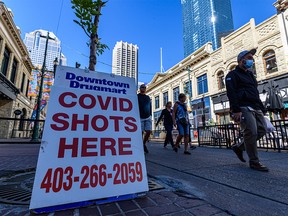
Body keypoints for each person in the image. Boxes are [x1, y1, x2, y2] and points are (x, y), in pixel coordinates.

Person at [225, 49, 269, 172]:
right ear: (241, 60)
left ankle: (239, 147)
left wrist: (262, 108)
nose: (251, 60)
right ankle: (254, 162)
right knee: (251, 132)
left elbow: (255, 92)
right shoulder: (232, 75)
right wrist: (236, 110)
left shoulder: (250, 75)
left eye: (252, 58)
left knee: (262, 130)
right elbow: (231, 93)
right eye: (249, 57)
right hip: (243, 107)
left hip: (255, 105)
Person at [137, 84, 152, 153]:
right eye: (142, 87)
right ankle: (141, 145)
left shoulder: (147, 97)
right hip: (140, 116)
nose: (144, 88)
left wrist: (150, 114)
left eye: (145, 87)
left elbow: (150, 105)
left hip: (148, 116)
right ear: (140, 89)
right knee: (141, 132)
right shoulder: (137, 96)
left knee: (148, 131)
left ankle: (143, 143)